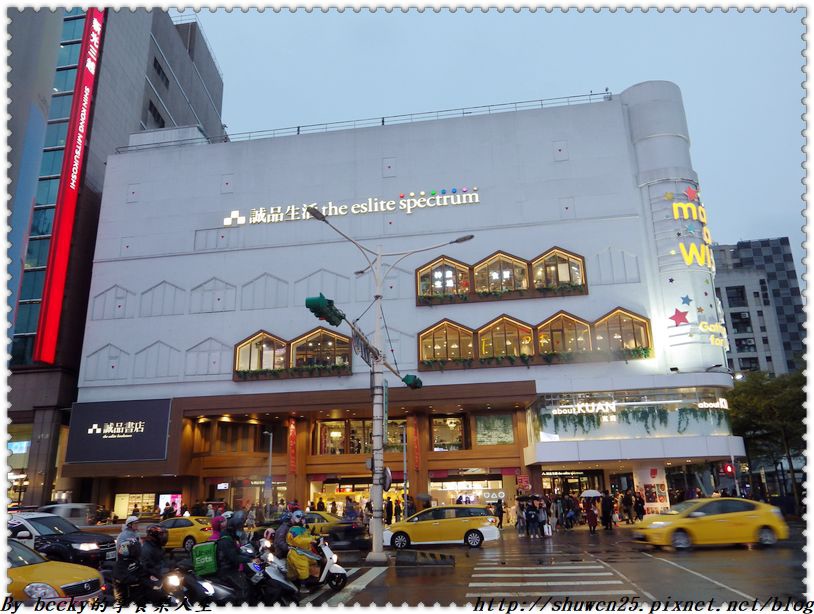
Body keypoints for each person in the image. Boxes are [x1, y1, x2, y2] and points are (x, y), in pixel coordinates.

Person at [215, 511, 255, 602]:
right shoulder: (226, 540)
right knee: (244, 588)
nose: (240, 530)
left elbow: (238, 551)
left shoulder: (231, 537)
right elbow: (234, 557)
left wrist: (251, 555)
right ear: (232, 528)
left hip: (231, 568)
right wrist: (250, 560)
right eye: (239, 528)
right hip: (226, 570)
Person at [286, 525, 319, 591]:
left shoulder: (302, 528)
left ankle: (311, 580)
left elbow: (307, 536)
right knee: (303, 568)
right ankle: (302, 586)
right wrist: (311, 540)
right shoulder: (294, 529)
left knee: (314, 562)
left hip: (304, 552)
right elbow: (298, 540)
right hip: (297, 553)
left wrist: (316, 537)